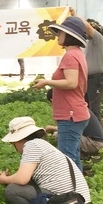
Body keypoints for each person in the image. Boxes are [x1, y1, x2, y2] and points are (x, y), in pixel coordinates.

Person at [0, 116, 91, 204]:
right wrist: (8, 179)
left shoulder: (31, 146)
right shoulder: (41, 144)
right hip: (78, 200)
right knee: (15, 186)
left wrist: (5, 180)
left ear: (18, 139)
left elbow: (22, 179)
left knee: (12, 190)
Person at [33, 17, 90, 171]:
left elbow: (72, 83)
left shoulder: (71, 56)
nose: (58, 35)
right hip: (74, 112)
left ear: (70, 35)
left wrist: (47, 82)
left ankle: (71, 192)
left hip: (70, 114)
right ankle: (78, 190)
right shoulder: (77, 54)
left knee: (67, 158)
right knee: (73, 155)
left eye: (61, 32)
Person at [45, 89, 103, 160]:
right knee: (62, 135)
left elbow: (68, 130)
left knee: (61, 135)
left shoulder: (70, 109)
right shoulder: (75, 105)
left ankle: (70, 160)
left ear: (53, 100)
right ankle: (80, 157)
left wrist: (52, 128)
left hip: (96, 144)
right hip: (96, 142)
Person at [74, 9, 103, 119]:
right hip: (87, 79)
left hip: (95, 80)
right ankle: (90, 134)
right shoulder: (88, 44)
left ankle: (97, 135)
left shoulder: (99, 39)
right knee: (86, 108)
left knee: (93, 108)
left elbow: (87, 27)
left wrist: (75, 15)